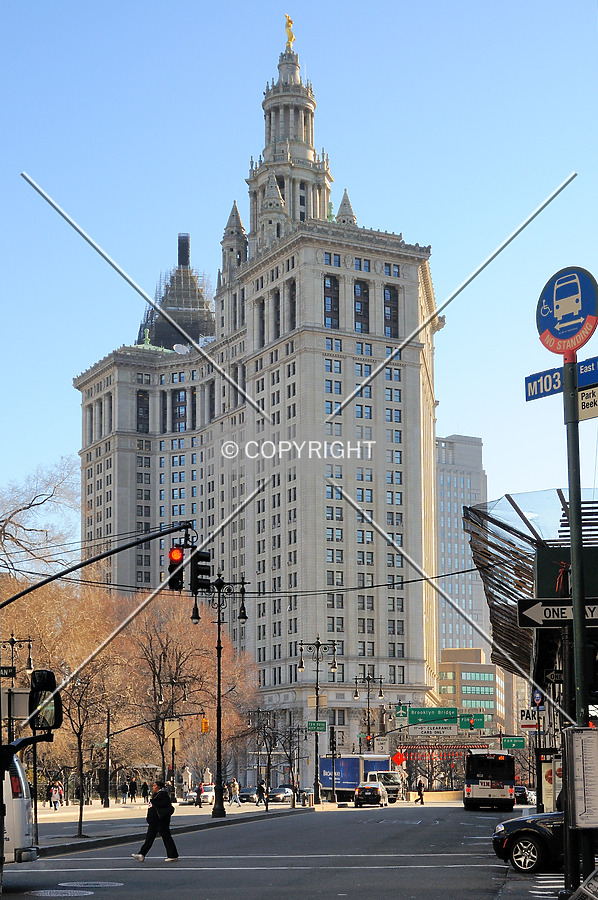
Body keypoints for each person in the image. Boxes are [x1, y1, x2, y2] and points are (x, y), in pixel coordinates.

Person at [131, 780, 179, 863]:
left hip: (161, 821)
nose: (152, 787)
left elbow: (163, 805)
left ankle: (173, 855)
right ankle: (141, 854)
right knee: (149, 838)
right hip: (154, 821)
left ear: (158, 787)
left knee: (166, 838)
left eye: (154, 785)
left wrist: (153, 802)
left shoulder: (163, 795)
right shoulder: (156, 795)